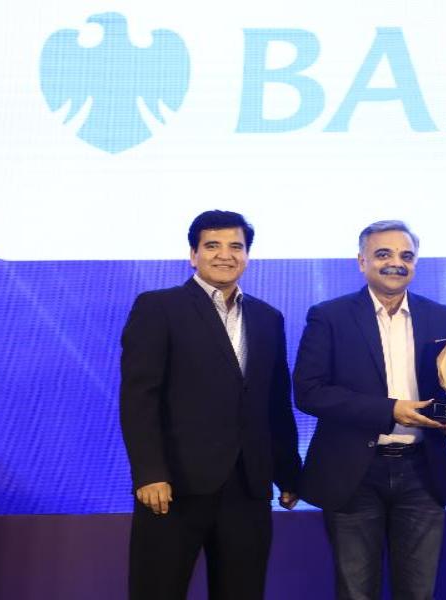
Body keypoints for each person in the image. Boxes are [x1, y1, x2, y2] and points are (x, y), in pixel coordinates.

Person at [120, 210, 302, 600]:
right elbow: (139, 398)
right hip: (174, 486)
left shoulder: (268, 318)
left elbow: (275, 403)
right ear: (193, 254)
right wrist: (149, 472)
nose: (225, 254)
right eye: (212, 245)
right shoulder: (159, 307)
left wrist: (288, 473)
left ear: (247, 255)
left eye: (236, 246)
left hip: (248, 487)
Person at [293, 220, 446, 600]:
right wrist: (392, 411)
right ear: (362, 261)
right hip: (353, 474)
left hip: (423, 471)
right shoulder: (329, 316)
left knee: (418, 593)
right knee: (356, 593)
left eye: (406, 256)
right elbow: (308, 392)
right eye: (383, 254)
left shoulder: (445, 318)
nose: (396, 263)